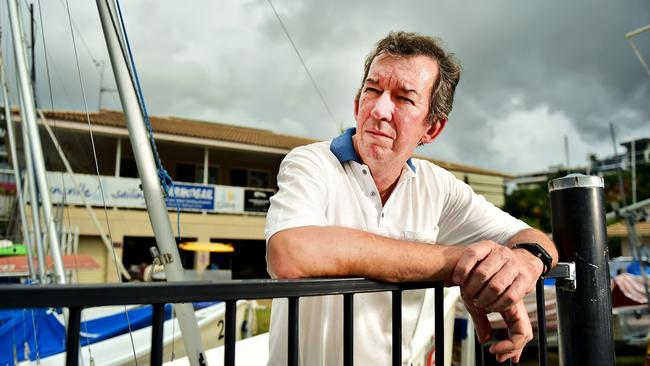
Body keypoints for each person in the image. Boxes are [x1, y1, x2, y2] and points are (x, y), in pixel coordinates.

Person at [265, 31, 558, 365]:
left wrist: (522, 264)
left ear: (431, 129)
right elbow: (290, 252)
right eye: (372, 90)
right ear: (357, 103)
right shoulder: (312, 162)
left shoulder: (438, 186)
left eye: (404, 98)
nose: (380, 109)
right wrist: (459, 263)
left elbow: (534, 239)